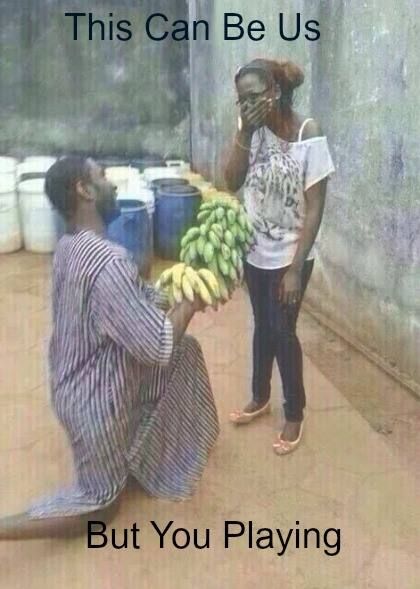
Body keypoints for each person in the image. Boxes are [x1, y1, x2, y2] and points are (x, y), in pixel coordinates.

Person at [0, 156, 219, 540]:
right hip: (93, 401)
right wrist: (190, 304)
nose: (112, 185)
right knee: (102, 504)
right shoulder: (108, 262)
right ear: (84, 191)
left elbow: (130, 304)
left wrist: (173, 288)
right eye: (102, 176)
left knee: (188, 354)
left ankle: (143, 452)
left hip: (73, 383)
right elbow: (157, 346)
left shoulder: (70, 246)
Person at [226, 58, 335, 455]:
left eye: (254, 97)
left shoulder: (309, 133)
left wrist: (294, 269)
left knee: (282, 331)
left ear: (275, 91)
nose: (247, 106)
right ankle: (260, 395)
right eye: (241, 100)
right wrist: (246, 131)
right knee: (262, 324)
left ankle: (295, 413)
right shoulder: (249, 130)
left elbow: (316, 206)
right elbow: (231, 180)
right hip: (255, 251)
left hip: (291, 257)